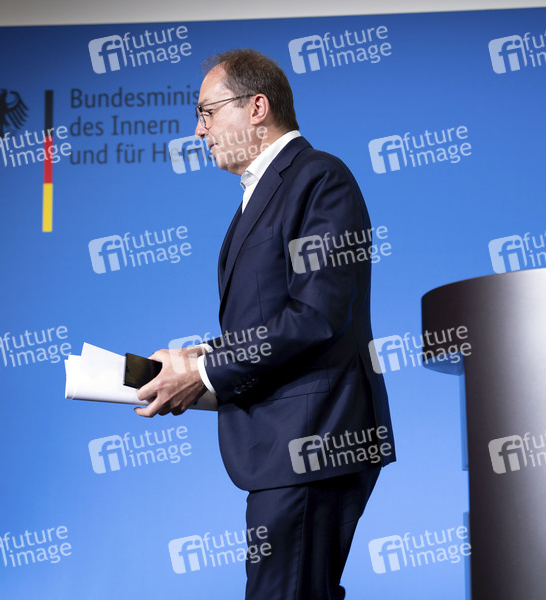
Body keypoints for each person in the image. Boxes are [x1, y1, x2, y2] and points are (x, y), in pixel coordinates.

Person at [134, 48, 395, 600]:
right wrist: (197, 358)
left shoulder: (319, 177)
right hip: (286, 446)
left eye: (207, 112)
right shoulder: (259, 193)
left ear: (257, 107)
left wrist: (204, 374)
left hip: (314, 439)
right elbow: (275, 315)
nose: (199, 130)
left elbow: (317, 314)